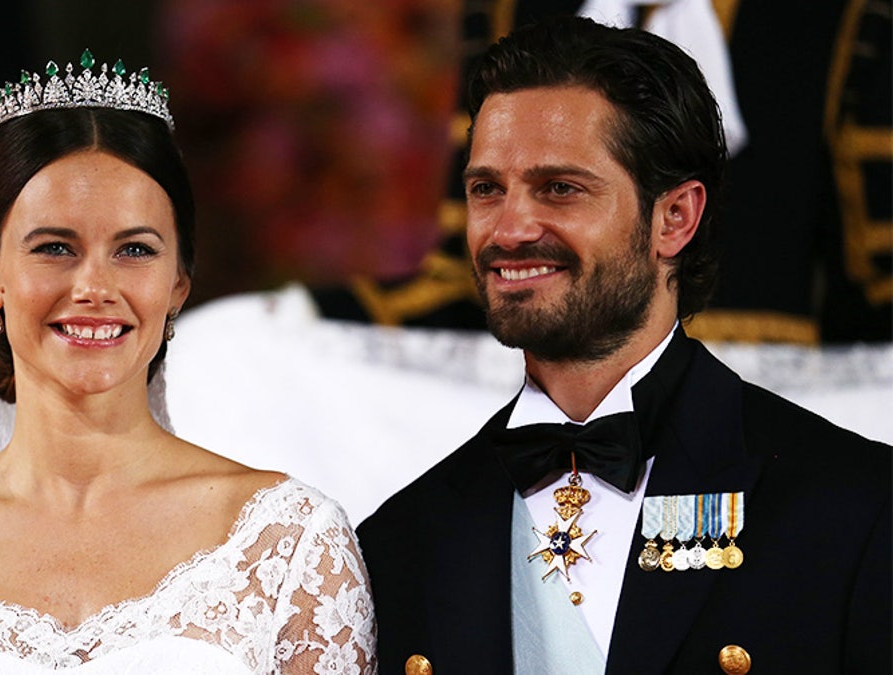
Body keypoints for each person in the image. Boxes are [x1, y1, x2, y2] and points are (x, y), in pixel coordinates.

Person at [357, 16, 890, 675]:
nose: (511, 227)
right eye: (487, 189)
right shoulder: (401, 540)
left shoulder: (856, 509)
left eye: (561, 188)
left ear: (675, 218)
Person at [0, 54, 376, 673]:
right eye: (55, 247)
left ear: (178, 285)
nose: (95, 286)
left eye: (135, 250)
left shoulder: (293, 548)